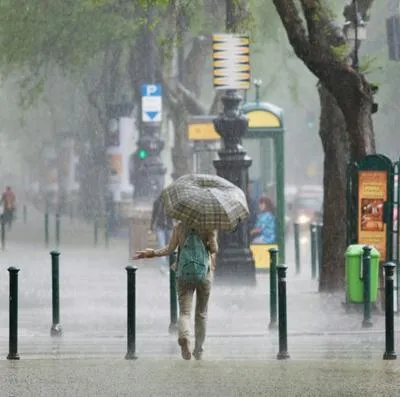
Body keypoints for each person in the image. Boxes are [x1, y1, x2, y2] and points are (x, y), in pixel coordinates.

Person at [134, 221, 218, 361]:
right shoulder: (208, 225)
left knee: (185, 313)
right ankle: (198, 351)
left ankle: (184, 336)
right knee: (201, 313)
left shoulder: (179, 226)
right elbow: (214, 249)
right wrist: (208, 242)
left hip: (184, 272)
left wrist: (151, 253)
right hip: (204, 273)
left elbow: (170, 249)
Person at [150, 194, 173, 274]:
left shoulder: (172, 202)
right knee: (161, 245)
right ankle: (163, 266)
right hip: (160, 227)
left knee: (169, 246)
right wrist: (151, 226)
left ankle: (168, 264)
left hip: (169, 227)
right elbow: (154, 214)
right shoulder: (157, 202)